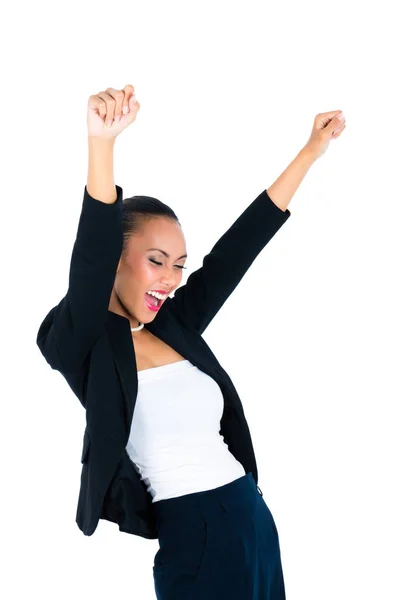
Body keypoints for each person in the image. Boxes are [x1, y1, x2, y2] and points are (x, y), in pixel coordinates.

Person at [36, 84, 346, 600]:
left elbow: (237, 251)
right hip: (196, 532)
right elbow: (89, 263)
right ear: (117, 257)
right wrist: (102, 145)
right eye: (156, 261)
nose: (170, 279)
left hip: (252, 517)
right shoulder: (78, 344)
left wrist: (310, 152)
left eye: (177, 266)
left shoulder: (172, 325)